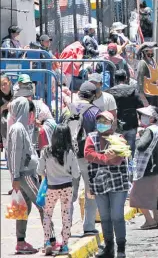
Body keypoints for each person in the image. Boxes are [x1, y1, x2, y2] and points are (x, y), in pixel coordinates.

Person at [7, 97, 57, 254]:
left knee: (24, 208)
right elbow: (15, 154)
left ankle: (21, 242)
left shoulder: (22, 127)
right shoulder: (17, 128)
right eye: (30, 112)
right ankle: (52, 241)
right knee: (43, 204)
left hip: (23, 174)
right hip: (25, 174)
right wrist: (15, 177)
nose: (32, 115)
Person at [84, 111, 129, 258]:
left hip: (117, 182)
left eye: (105, 121)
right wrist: (105, 158)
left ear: (112, 123)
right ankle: (109, 248)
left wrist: (109, 158)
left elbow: (119, 158)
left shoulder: (119, 139)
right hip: (99, 183)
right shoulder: (91, 138)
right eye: (100, 121)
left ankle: (121, 248)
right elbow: (88, 154)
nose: (102, 124)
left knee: (117, 215)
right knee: (104, 216)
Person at [38, 124, 80, 255]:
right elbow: (76, 174)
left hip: (51, 187)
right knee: (66, 215)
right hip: (66, 187)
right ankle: (65, 245)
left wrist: (49, 173)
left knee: (47, 214)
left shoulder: (46, 151)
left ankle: (46, 242)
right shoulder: (70, 152)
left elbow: (39, 170)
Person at [70, 82, 101, 237]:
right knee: (91, 192)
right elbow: (99, 135)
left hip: (69, 157)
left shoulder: (67, 110)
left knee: (70, 194)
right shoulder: (95, 111)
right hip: (88, 158)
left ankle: (66, 227)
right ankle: (89, 226)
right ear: (93, 95)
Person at [130, 106, 158, 229]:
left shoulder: (149, 131)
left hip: (146, 169)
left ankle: (149, 220)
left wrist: (137, 137)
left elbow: (141, 146)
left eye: (145, 116)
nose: (142, 118)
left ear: (152, 118)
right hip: (156, 168)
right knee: (154, 196)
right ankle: (157, 220)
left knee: (135, 195)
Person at [107, 70, 144, 156]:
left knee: (117, 150)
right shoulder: (133, 91)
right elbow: (141, 107)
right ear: (126, 78)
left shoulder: (109, 92)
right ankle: (130, 168)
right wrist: (141, 121)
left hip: (115, 125)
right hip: (131, 123)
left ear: (114, 79)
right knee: (131, 150)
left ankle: (120, 167)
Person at [136, 42, 158, 107]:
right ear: (145, 52)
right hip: (147, 96)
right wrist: (143, 98)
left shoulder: (153, 61)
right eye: (150, 50)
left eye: (152, 50)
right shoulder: (142, 63)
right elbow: (139, 81)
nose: (152, 51)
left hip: (155, 94)